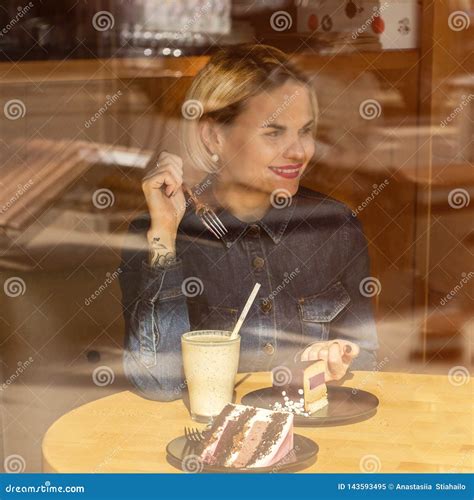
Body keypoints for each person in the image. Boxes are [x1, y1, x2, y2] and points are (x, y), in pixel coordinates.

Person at [119, 44, 379, 401]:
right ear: (214, 135)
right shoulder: (158, 234)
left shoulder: (335, 227)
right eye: (273, 133)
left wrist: (340, 361)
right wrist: (164, 236)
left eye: (305, 130)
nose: (299, 151)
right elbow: (160, 385)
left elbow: (369, 365)